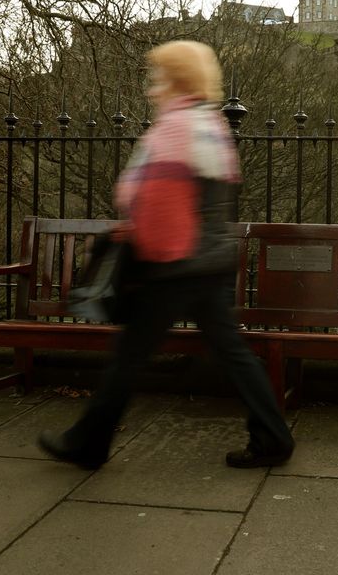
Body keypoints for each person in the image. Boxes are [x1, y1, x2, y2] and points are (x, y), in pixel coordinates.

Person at [38, 40, 295, 470]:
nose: (151, 87)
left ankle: (88, 443)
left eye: (157, 77)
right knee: (231, 353)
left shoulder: (175, 128)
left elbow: (159, 203)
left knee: (128, 356)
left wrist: (149, 254)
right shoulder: (210, 124)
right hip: (210, 260)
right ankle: (273, 437)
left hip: (175, 264)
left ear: (176, 80)